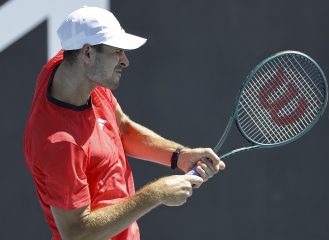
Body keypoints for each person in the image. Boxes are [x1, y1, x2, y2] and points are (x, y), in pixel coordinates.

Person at [24, 6, 225, 240]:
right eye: (117, 51)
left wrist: (180, 155)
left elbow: (120, 127)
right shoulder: (60, 144)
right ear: (87, 54)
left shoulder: (74, 71)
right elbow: (76, 234)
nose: (125, 61)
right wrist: (157, 193)